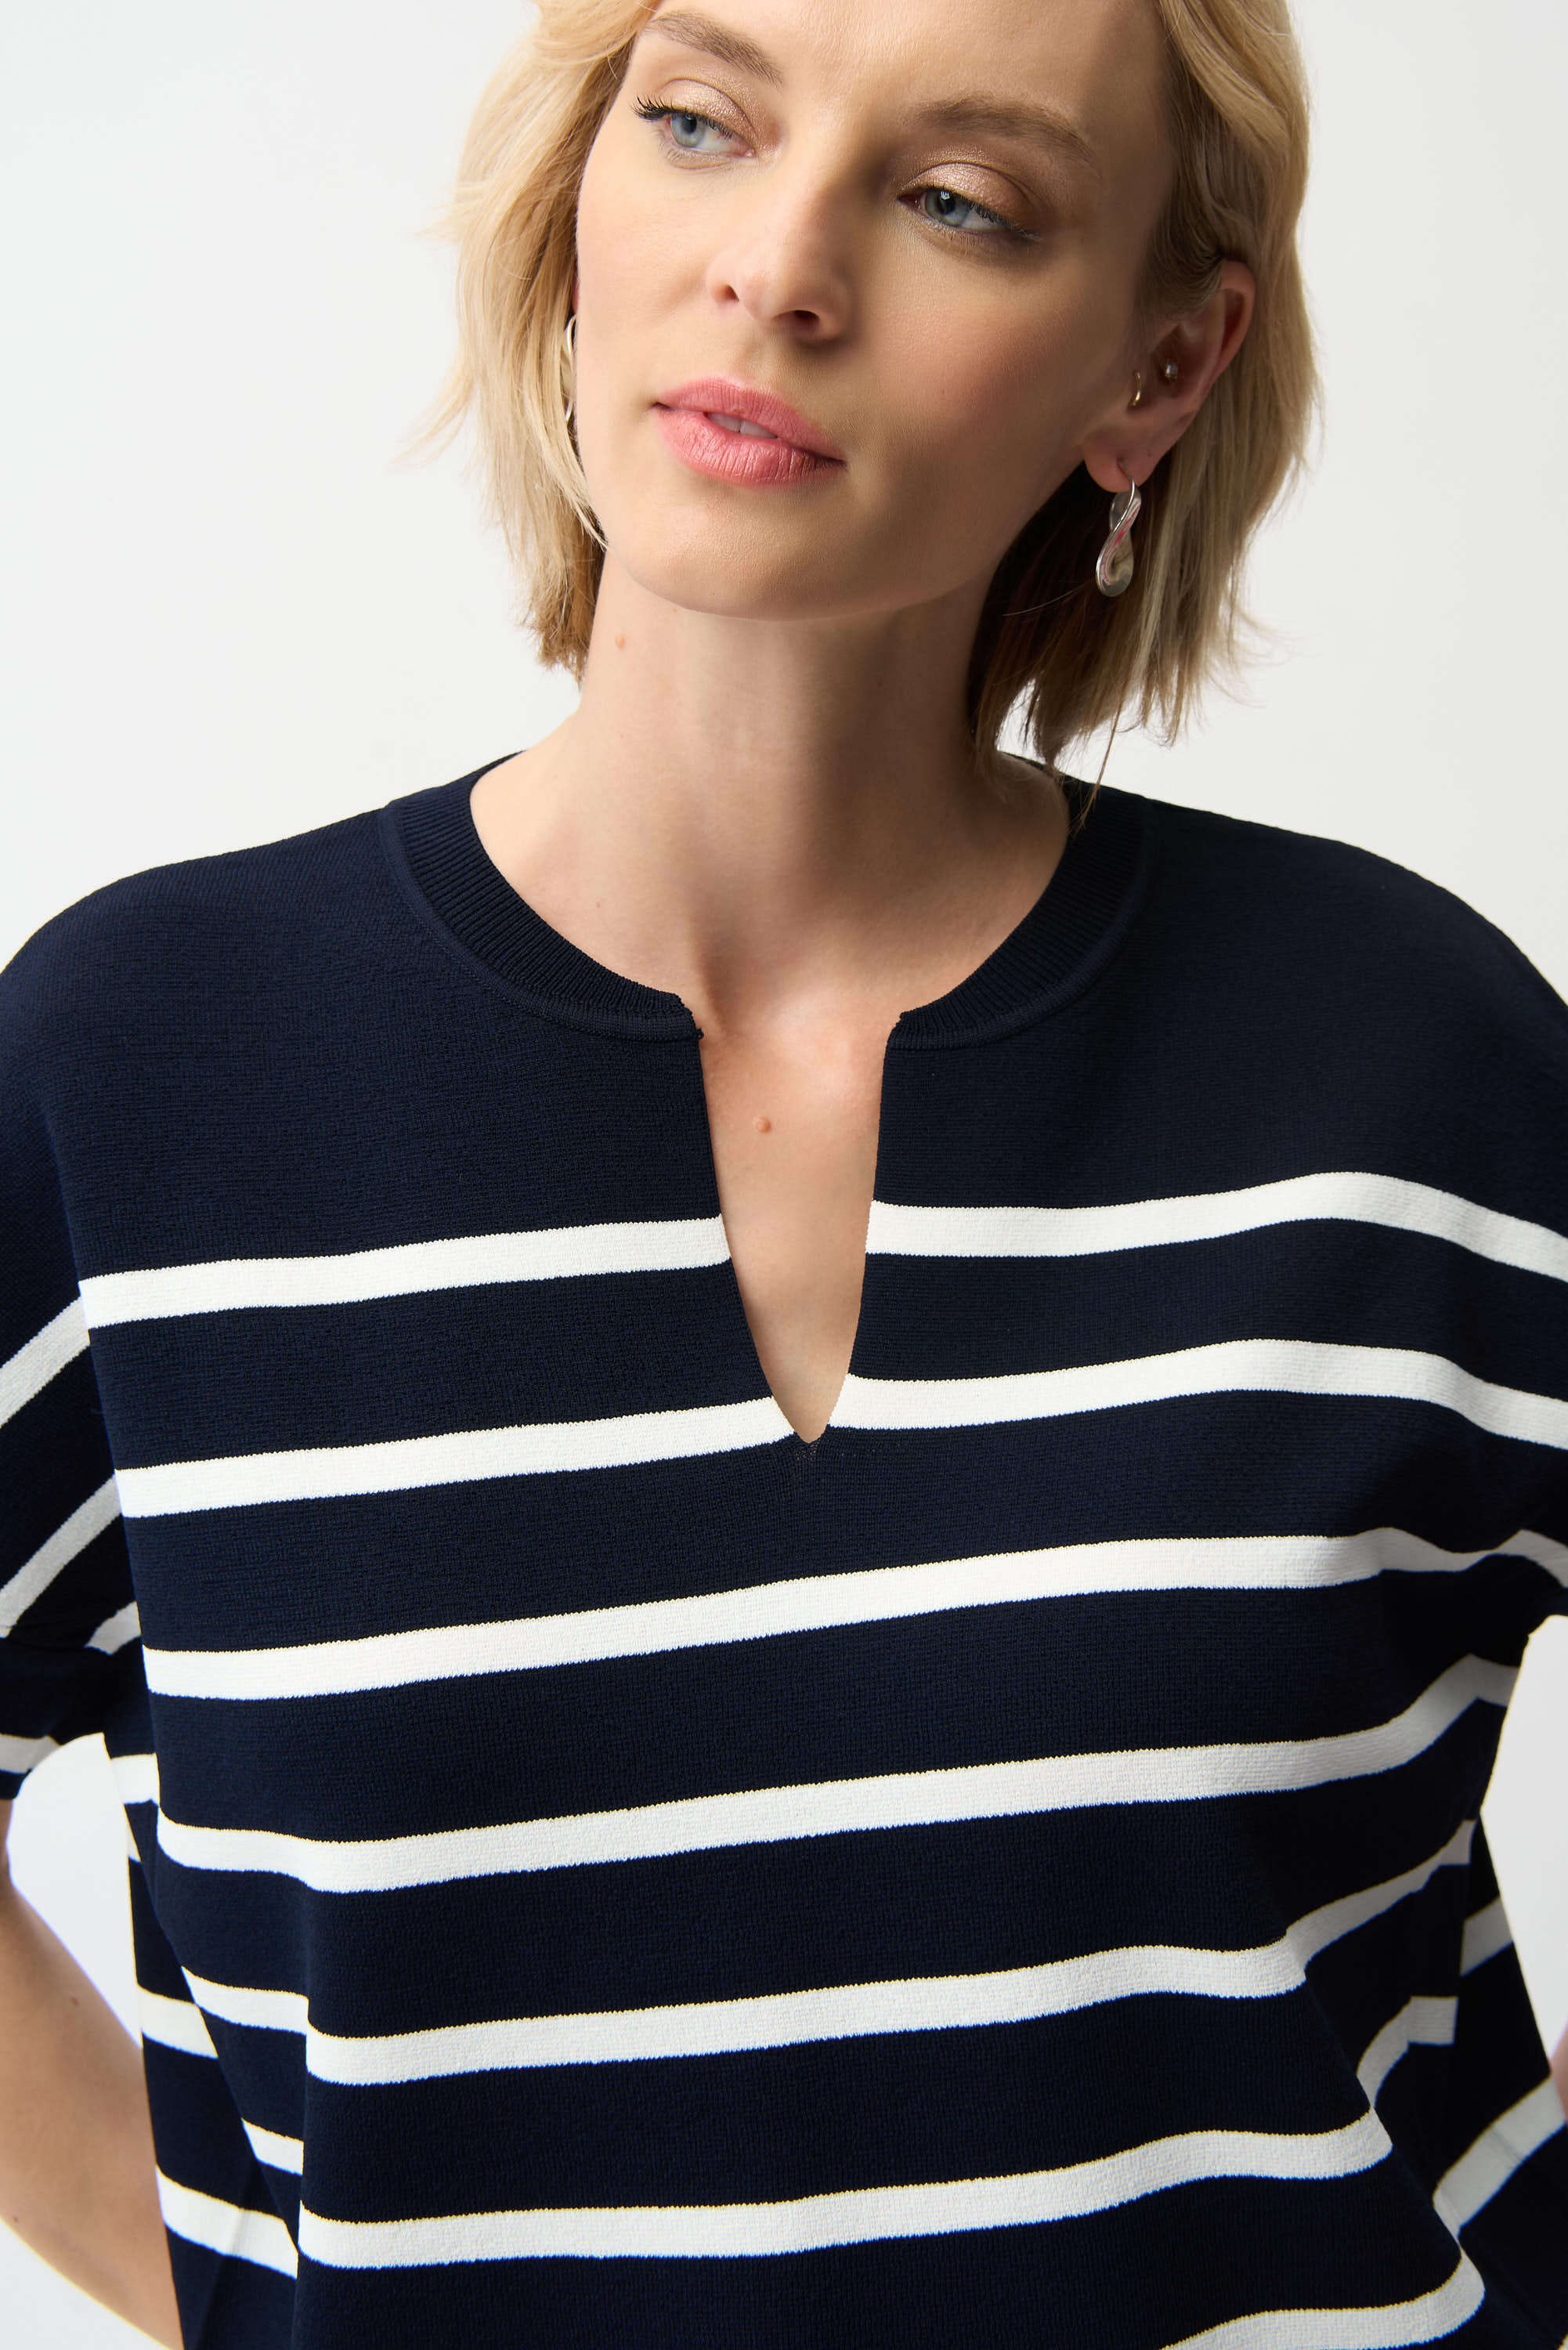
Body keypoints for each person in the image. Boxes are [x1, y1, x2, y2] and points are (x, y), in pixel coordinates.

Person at [1, 0, 1564, 2341]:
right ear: (576, 199)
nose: (780, 267)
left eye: (960, 202)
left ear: (1155, 372)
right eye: (700, 122)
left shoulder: (1408, 1065)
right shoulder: (135, 1073)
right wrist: (263, 2294)